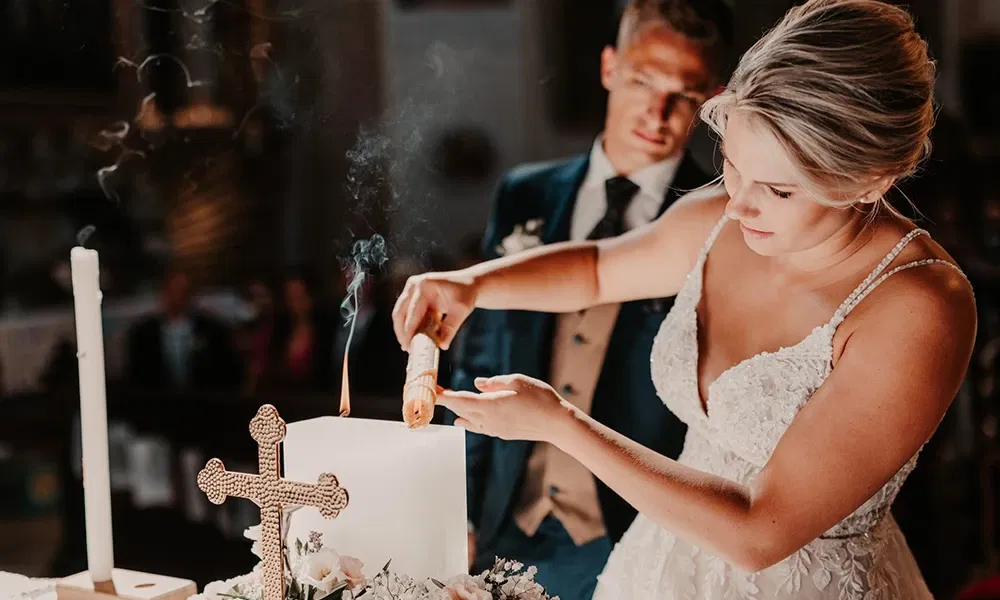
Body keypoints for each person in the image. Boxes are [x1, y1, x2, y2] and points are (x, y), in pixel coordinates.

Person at [392, 1, 976, 598]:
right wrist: (472, 284)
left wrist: (562, 425)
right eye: (732, 166)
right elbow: (597, 270)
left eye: (777, 189)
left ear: (870, 181)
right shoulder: (721, 218)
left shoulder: (917, 307)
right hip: (653, 568)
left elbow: (759, 532)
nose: (739, 204)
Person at [437, 1, 731, 597]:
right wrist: (459, 507)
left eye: (686, 93)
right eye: (643, 81)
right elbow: (481, 358)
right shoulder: (525, 194)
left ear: (713, 99)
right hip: (504, 518)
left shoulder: (720, 216)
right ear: (608, 67)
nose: (658, 111)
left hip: (631, 528)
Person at [126, 271, 242, 392]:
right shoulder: (143, 333)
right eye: (173, 291)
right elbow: (136, 376)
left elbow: (227, 372)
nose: (178, 297)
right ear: (163, 294)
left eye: (184, 291)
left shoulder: (213, 330)